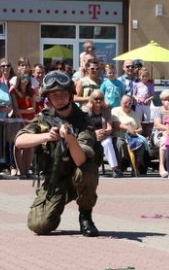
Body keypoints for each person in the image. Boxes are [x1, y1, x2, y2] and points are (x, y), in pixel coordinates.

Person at [14, 71, 101, 236]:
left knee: (88, 170)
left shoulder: (83, 120)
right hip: (54, 180)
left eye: (63, 93)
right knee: (39, 226)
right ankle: (58, 199)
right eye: (54, 94)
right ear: (48, 97)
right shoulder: (44, 118)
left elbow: (81, 159)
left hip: (78, 175)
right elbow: (20, 140)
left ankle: (85, 216)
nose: (59, 97)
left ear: (70, 94)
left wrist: (69, 138)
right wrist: (47, 136)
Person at [82, 90, 121, 178]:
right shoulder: (85, 110)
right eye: (96, 99)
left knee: (108, 142)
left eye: (101, 99)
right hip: (89, 136)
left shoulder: (106, 110)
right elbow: (83, 127)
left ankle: (114, 169)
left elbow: (110, 128)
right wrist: (94, 132)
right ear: (91, 99)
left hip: (104, 136)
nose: (99, 101)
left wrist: (105, 131)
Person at [9, 71, 37, 178]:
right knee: (18, 146)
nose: (26, 79)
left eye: (28, 77)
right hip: (18, 121)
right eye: (24, 77)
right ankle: (20, 170)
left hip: (30, 121)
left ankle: (26, 170)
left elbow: (33, 109)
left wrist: (22, 111)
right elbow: (15, 110)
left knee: (29, 147)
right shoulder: (14, 91)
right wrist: (22, 117)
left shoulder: (32, 91)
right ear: (19, 78)